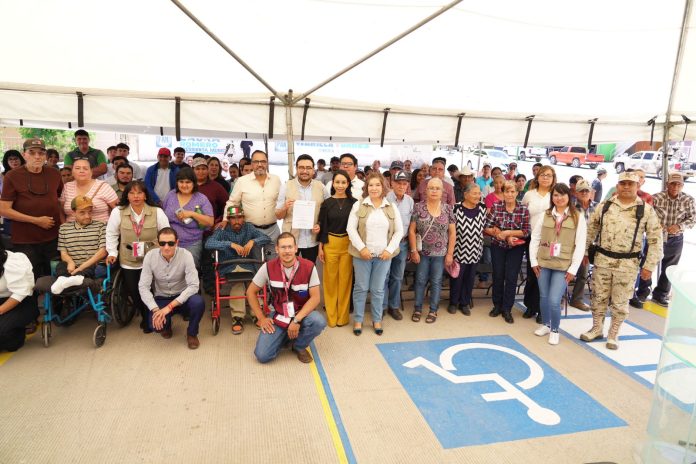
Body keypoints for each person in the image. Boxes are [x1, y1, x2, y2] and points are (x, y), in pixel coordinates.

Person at [580, 172, 662, 350]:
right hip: (603, 261)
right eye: (623, 183)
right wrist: (584, 252)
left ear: (637, 186)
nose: (626, 187)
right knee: (598, 297)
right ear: (617, 186)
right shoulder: (605, 206)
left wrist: (649, 266)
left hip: (627, 265)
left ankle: (613, 333)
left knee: (620, 302)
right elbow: (591, 229)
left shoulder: (645, 210)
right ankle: (597, 328)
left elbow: (656, 240)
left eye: (630, 184)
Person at [248, 233, 326, 364]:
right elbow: (250, 292)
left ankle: (299, 346)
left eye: (290, 247)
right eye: (283, 247)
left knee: (318, 321)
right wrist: (261, 318)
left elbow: (315, 298)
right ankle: (286, 336)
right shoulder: (268, 267)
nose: (287, 251)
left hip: (301, 314)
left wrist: (296, 320)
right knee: (262, 355)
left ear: (296, 248)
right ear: (277, 249)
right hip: (279, 315)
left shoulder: (309, 267)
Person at [106, 180, 170, 333]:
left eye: (139, 193)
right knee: (135, 291)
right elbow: (111, 233)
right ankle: (145, 314)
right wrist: (112, 252)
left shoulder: (157, 211)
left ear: (145, 195)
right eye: (132, 193)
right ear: (126, 196)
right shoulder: (118, 212)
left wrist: (166, 253)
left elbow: (166, 232)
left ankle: (151, 317)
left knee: (153, 290)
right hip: (129, 259)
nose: (136, 196)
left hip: (153, 258)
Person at [529, 183, 587, 345]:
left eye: (562, 195)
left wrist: (573, 269)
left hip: (563, 265)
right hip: (544, 262)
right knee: (543, 297)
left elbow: (580, 245)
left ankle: (555, 330)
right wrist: (533, 261)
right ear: (552, 197)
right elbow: (535, 238)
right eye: (555, 195)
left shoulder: (578, 217)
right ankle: (546, 324)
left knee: (554, 300)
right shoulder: (545, 215)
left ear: (569, 196)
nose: (559, 198)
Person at [347, 172, 402, 335]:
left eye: (377, 185)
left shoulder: (391, 207)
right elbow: (350, 229)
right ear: (366, 188)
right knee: (361, 288)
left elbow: (399, 231)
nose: (374, 188)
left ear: (383, 187)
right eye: (371, 185)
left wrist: (389, 250)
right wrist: (361, 248)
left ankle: (377, 319)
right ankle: (358, 320)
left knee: (378, 290)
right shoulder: (359, 205)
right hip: (362, 256)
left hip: (383, 257)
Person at [0, 138, 63, 279]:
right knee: (29, 280)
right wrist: (36, 220)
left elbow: (59, 199)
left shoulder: (54, 173)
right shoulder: (12, 176)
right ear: (24, 155)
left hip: (53, 238)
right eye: (32, 152)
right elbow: (3, 209)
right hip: (25, 240)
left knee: (56, 279)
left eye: (41, 153)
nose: (37, 156)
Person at [205, 206, 271, 334]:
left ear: (243, 218)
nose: (236, 221)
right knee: (239, 281)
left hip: (248, 264)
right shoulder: (222, 229)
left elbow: (266, 238)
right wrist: (230, 244)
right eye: (233, 218)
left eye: (239, 218)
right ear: (229, 219)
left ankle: (256, 313)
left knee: (253, 282)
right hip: (228, 265)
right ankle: (238, 316)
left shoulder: (248, 228)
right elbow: (208, 243)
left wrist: (253, 241)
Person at [139, 227, 205, 349]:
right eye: (162, 243)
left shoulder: (186, 255)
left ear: (177, 242)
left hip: (182, 296)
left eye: (170, 243)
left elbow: (194, 285)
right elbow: (143, 286)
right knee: (155, 327)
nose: (166, 247)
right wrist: (155, 310)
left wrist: (169, 307)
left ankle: (192, 333)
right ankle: (167, 325)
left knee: (198, 302)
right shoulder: (150, 256)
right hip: (162, 297)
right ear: (157, 243)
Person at [639, 172, 695, 307]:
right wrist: (655, 224)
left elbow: (693, 218)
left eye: (679, 184)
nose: (675, 187)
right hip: (655, 238)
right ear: (667, 184)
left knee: (670, 269)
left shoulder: (688, 200)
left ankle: (660, 295)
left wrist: (679, 226)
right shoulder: (656, 198)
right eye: (672, 184)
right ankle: (642, 292)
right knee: (647, 264)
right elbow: (647, 215)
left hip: (676, 239)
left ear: (682, 186)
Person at [409, 177, 455, 324]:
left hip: (440, 254)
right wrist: (413, 251)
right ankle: (417, 308)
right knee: (420, 281)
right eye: (431, 188)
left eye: (437, 188)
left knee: (436, 281)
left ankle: (433, 310)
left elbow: (452, 233)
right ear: (426, 190)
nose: (434, 191)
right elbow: (412, 231)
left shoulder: (448, 209)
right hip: (422, 253)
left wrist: (450, 253)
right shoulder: (418, 207)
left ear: (442, 191)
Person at [484, 180, 531, 324]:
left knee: (511, 277)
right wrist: (499, 234)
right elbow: (486, 227)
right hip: (498, 246)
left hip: (516, 248)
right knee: (498, 275)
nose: (510, 194)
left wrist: (508, 233)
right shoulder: (496, 206)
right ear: (503, 192)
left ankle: (507, 309)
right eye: (507, 191)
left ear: (517, 193)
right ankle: (497, 306)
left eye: (512, 191)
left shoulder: (523, 209)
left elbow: (526, 231)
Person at [317, 170, 357, 328]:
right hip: (330, 244)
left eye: (343, 182)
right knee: (330, 281)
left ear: (348, 184)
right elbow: (322, 226)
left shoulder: (354, 203)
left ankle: (343, 317)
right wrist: (320, 247)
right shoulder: (326, 203)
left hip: (348, 244)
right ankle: (331, 317)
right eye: (337, 182)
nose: (340, 185)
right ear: (332, 184)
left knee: (346, 281)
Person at [224, 150, 281, 257]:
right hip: (251, 231)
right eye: (256, 161)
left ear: (267, 163)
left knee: (273, 263)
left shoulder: (276, 180)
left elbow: (281, 201)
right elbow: (232, 202)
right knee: (256, 263)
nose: (260, 164)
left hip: (273, 230)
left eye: (263, 161)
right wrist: (225, 220)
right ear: (252, 163)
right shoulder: (242, 181)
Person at [521, 165, 556, 322]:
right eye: (542, 175)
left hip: (551, 240)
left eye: (549, 175)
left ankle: (543, 309)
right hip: (531, 239)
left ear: (553, 178)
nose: (545, 178)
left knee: (546, 275)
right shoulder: (529, 194)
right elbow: (522, 215)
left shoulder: (556, 195)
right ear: (537, 177)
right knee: (532, 274)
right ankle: (530, 306)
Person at [51, 196, 107, 294]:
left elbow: (102, 252)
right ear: (73, 212)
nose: (87, 216)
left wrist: (81, 268)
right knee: (61, 265)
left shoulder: (101, 226)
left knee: (91, 268)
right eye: (82, 213)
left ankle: (74, 279)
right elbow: (63, 253)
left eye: (90, 212)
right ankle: (63, 279)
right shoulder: (64, 228)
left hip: (91, 265)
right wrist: (70, 262)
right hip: (72, 266)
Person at [161, 167, 214, 268]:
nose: (184, 185)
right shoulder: (171, 195)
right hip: (169, 243)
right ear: (177, 183)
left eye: (188, 182)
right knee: (168, 271)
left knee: (189, 270)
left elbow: (210, 222)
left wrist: (192, 214)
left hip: (191, 243)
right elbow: (162, 215)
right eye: (181, 182)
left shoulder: (201, 199)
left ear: (194, 183)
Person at [276, 155, 324, 262]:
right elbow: (278, 216)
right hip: (291, 240)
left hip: (312, 240)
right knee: (289, 269)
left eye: (308, 168)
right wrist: (285, 207)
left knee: (309, 268)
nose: (305, 171)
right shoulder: (286, 186)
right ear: (296, 169)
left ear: (313, 170)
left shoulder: (321, 187)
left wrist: (320, 224)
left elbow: (326, 212)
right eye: (301, 167)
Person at [448, 182, 487, 315]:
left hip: (475, 250)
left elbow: (484, 226)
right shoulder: (456, 208)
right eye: (474, 193)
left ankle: (464, 303)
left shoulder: (482, 207)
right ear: (466, 195)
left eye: (479, 193)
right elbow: (450, 230)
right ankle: (453, 302)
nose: (478, 196)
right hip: (458, 250)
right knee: (456, 278)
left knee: (470, 279)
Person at [383, 170, 414, 320]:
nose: (401, 186)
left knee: (397, 277)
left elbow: (412, 225)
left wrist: (411, 248)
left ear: (407, 185)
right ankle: (382, 306)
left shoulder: (410, 201)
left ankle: (393, 306)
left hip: (402, 244)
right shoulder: (385, 199)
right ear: (392, 183)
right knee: (384, 276)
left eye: (404, 183)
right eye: (398, 183)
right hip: (387, 244)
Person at [0, 240, 38, 352]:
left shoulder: (13, 261)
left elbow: (20, 293)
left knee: (3, 333)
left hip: (19, 302)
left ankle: (18, 332)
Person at [61, 159, 118, 223]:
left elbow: (118, 209)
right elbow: (60, 210)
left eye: (85, 168)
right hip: (71, 228)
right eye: (77, 168)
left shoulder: (104, 186)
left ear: (91, 171)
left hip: (100, 228)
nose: (81, 171)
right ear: (72, 172)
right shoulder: (66, 187)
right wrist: (64, 225)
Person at [569, 180, 596, 310]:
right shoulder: (571, 207)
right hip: (571, 245)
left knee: (583, 274)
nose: (584, 193)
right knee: (563, 272)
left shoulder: (597, 208)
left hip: (588, 246)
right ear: (576, 193)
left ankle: (576, 300)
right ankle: (558, 298)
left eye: (587, 190)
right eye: (581, 191)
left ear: (591, 192)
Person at [191, 157, 228, 224]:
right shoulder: (187, 186)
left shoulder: (216, 187)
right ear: (192, 170)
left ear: (207, 170)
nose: (201, 172)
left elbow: (227, 205)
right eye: (197, 169)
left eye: (203, 169)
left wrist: (219, 221)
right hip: (188, 227)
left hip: (210, 227)